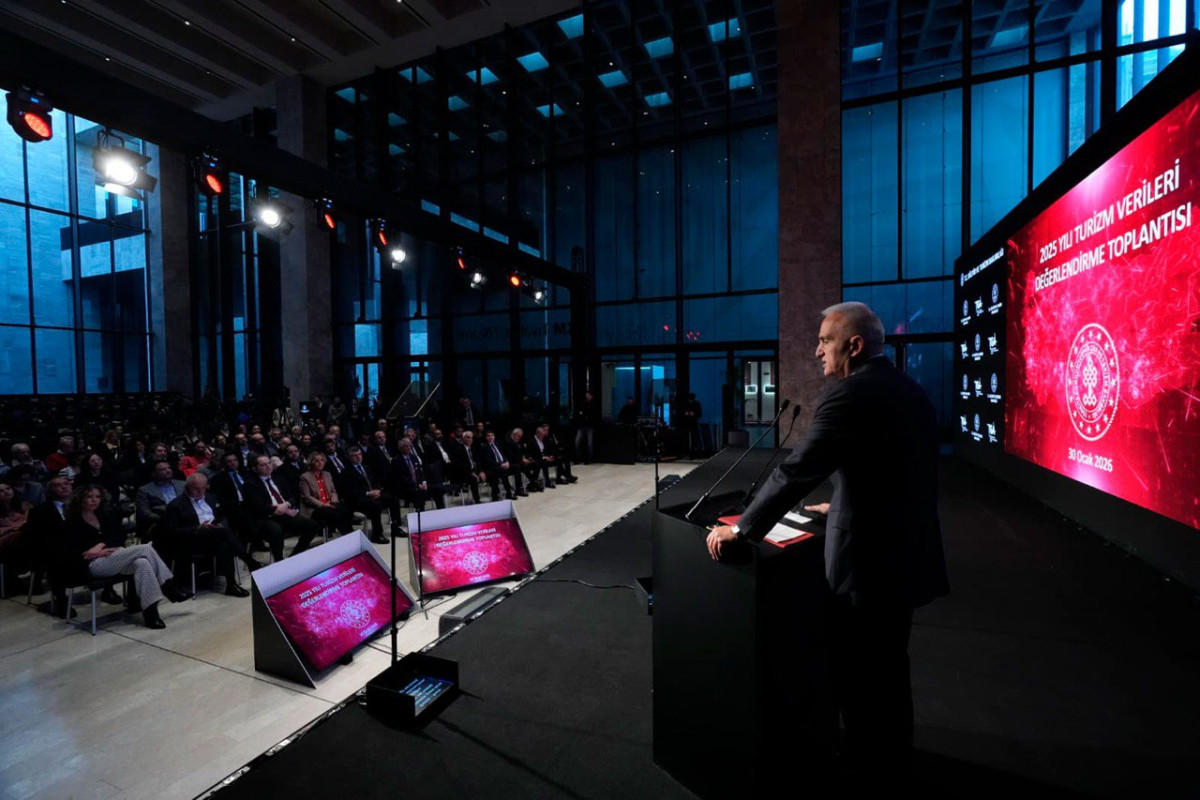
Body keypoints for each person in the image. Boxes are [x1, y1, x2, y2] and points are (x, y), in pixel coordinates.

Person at [705, 301, 949, 781]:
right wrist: (839, 504)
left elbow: (795, 472)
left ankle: (864, 766)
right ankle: (892, 762)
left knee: (858, 675)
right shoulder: (911, 391)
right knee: (890, 670)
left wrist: (741, 529)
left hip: (867, 565)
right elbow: (893, 472)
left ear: (854, 346)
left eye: (824, 341)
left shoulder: (849, 396)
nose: (817, 351)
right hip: (908, 556)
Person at [59, 485, 192, 629]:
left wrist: (103, 546)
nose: (94, 500)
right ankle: (169, 588)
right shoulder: (71, 523)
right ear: (80, 499)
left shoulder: (103, 516)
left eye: (97, 497)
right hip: (91, 565)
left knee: (142, 563)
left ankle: (151, 614)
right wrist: (96, 552)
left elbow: (118, 537)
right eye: (89, 497)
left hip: (112, 557)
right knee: (146, 548)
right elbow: (70, 552)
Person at [161, 473, 260, 597]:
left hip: (215, 536)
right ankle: (250, 561)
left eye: (203, 488)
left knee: (224, 545)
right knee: (224, 533)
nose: (200, 492)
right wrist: (197, 528)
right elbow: (173, 532)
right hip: (192, 540)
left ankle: (231, 585)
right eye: (196, 489)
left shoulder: (211, 498)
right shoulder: (175, 505)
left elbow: (222, 515)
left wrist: (220, 524)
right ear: (187, 488)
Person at [242, 455, 321, 559]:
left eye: (269, 463)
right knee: (276, 531)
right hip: (266, 517)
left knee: (312, 525)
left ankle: (295, 556)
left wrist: (286, 505)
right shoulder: (250, 484)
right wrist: (278, 509)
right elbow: (257, 506)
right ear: (254, 468)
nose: (268, 466)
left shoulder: (279, 479)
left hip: (285, 513)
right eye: (263, 465)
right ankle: (279, 560)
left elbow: (292, 498)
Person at [297, 452, 355, 536]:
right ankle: (349, 537)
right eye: (316, 461)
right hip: (315, 507)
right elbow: (307, 497)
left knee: (346, 512)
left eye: (322, 460)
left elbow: (333, 491)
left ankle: (351, 536)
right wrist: (323, 504)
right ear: (311, 462)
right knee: (337, 516)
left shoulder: (327, 474)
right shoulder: (305, 477)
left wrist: (334, 501)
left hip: (330, 504)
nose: (320, 463)